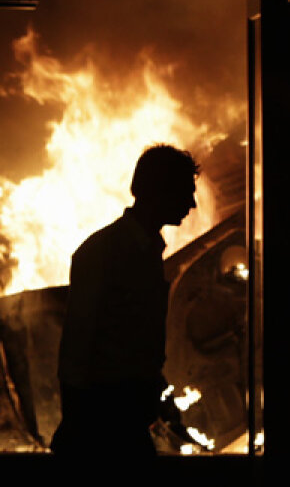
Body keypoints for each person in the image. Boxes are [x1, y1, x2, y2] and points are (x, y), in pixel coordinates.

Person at [51, 144, 199, 468]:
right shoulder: (101, 254)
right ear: (161, 191)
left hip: (123, 420)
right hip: (104, 428)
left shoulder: (143, 252)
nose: (192, 203)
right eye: (185, 192)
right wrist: (79, 429)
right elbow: (77, 351)